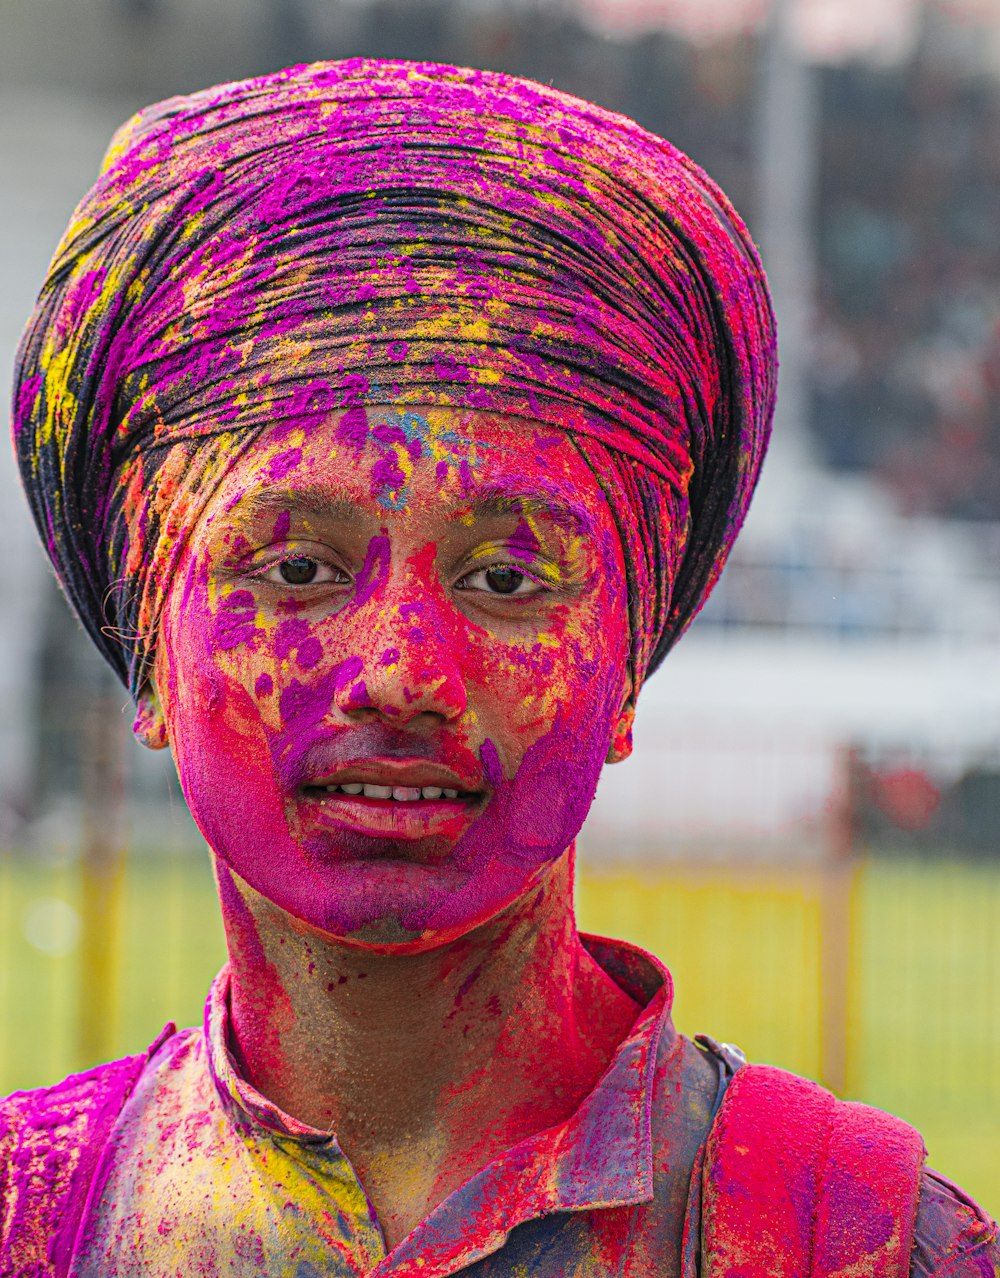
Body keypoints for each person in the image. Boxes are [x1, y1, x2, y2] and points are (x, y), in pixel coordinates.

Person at [5, 58, 995, 1276]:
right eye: (298, 571)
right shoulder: (28, 1214)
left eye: (508, 580)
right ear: (151, 642)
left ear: (629, 660)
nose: (402, 673)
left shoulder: (854, 1235)